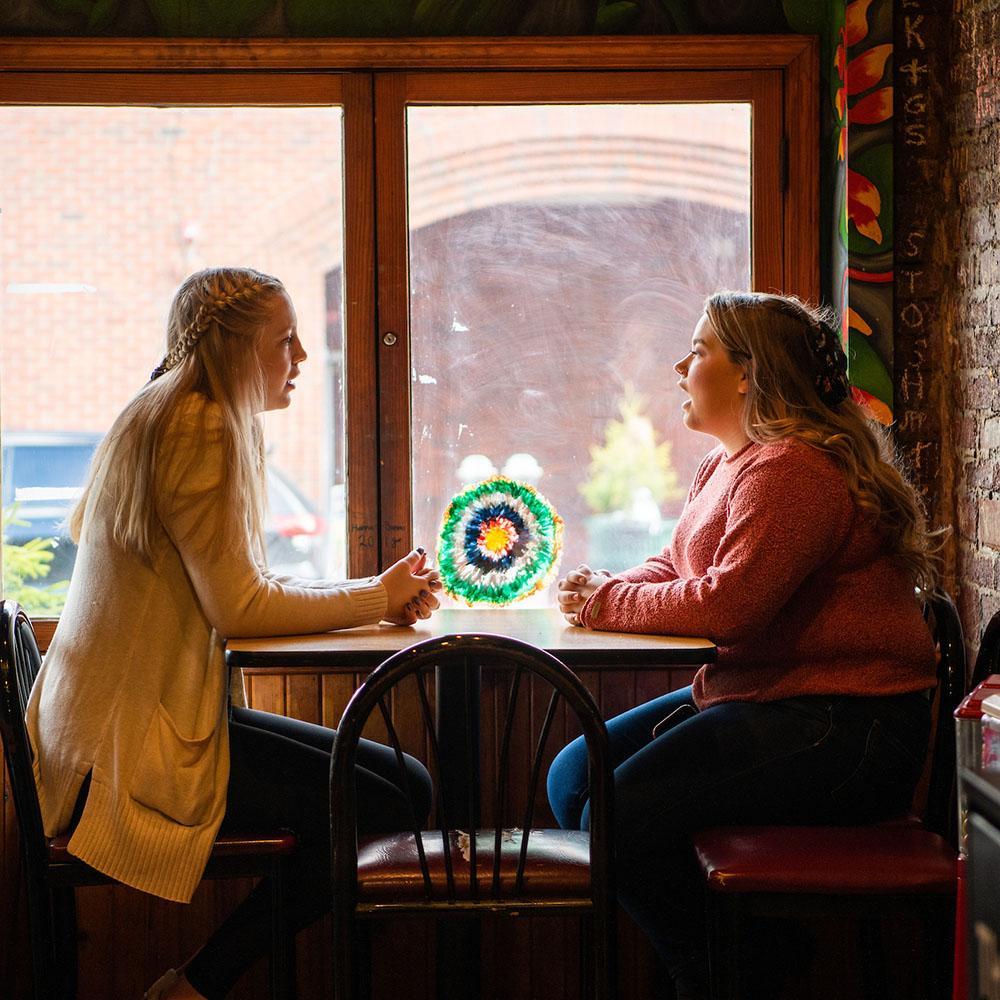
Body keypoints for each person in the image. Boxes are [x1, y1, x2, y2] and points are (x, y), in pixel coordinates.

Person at [25, 266, 441, 1000]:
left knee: (406, 787)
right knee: (391, 801)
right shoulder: (199, 423)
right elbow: (241, 609)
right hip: (123, 755)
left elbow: (243, 590)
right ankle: (198, 987)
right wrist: (376, 595)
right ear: (234, 349)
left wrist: (375, 599)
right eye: (285, 341)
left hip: (110, 733)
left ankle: (196, 986)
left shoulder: (170, 407)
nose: (304, 358)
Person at [547, 291, 941, 999]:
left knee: (617, 808)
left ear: (747, 374)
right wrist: (606, 587)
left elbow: (730, 606)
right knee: (573, 778)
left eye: (699, 350)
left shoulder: (793, 470)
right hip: (774, 700)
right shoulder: (730, 463)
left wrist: (607, 602)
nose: (679, 364)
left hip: (849, 728)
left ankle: (723, 971)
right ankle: (745, 956)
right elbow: (678, 566)